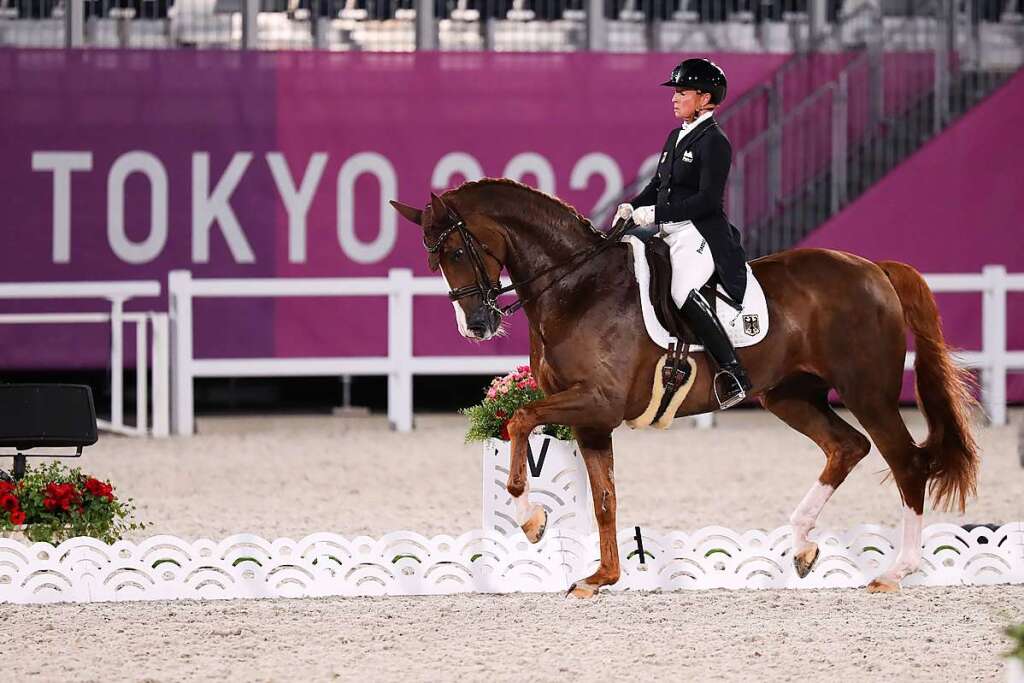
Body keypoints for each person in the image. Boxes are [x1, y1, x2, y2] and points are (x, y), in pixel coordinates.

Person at [616, 57, 752, 409]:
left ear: (705, 99)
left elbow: (707, 201)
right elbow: (658, 184)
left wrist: (657, 212)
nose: (674, 98)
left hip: (699, 231)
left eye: (682, 92)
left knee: (680, 290)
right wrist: (633, 206)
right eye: (674, 92)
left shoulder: (714, 142)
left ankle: (732, 370)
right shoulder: (676, 136)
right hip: (668, 229)